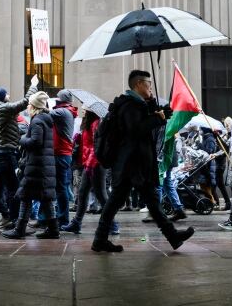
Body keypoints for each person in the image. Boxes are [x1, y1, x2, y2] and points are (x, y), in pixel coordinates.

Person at [92, 70, 194, 253]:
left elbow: (146, 123)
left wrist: (156, 109)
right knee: (125, 201)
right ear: (138, 84)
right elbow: (136, 130)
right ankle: (172, 236)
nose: (150, 86)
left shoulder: (137, 104)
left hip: (132, 163)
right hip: (132, 164)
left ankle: (100, 239)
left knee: (146, 201)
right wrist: (157, 117)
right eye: (148, 83)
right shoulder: (129, 105)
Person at [0, 76, 38, 235]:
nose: (9, 96)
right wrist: (33, 85)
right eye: (6, 94)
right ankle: (17, 225)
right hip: (5, 154)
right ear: (1, 97)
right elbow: (26, 101)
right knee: (14, 190)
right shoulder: (4, 109)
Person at [3, 91, 60, 239]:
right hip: (43, 165)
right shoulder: (45, 119)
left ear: (34, 106)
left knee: (26, 197)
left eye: (29, 104)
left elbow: (35, 142)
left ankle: (20, 229)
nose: (27, 107)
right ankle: (53, 230)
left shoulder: (37, 121)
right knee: (45, 198)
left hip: (36, 166)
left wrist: (21, 139)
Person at [61, 109, 109, 234]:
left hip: (95, 165)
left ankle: (112, 224)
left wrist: (90, 165)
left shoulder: (97, 123)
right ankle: (76, 223)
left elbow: (95, 146)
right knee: (82, 193)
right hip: (89, 164)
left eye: (85, 108)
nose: (83, 110)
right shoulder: (89, 123)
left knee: (101, 195)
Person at [50, 90, 78, 227]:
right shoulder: (66, 111)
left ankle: (63, 219)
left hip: (61, 154)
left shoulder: (63, 112)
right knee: (60, 188)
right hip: (62, 154)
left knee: (60, 188)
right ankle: (61, 217)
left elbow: (45, 113)